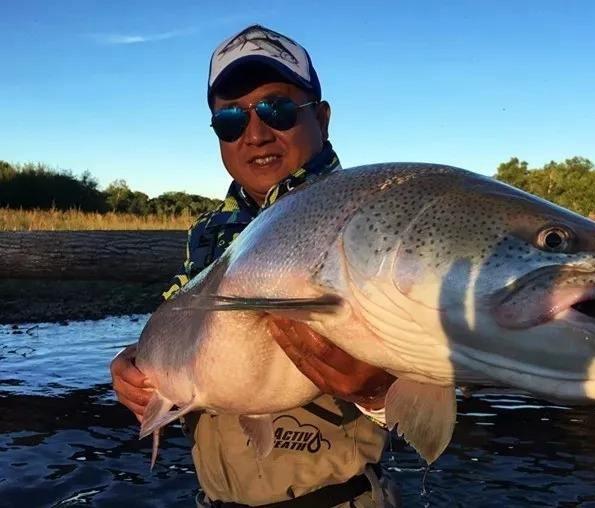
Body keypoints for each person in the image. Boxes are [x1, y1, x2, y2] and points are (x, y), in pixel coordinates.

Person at [110, 24, 400, 508]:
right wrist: (136, 367)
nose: (256, 133)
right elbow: (183, 324)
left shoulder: (375, 217)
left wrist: (379, 393)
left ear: (322, 119)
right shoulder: (207, 232)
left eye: (278, 109)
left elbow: (448, 383)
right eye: (230, 120)